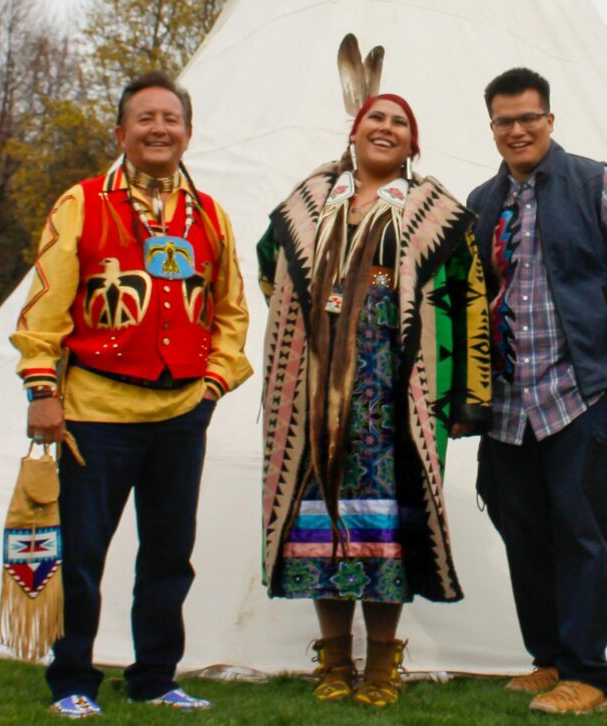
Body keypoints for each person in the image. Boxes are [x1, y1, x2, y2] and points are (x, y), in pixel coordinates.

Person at [11, 71, 252, 719]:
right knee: (82, 554)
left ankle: (155, 678)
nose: (159, 129)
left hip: (181, 415)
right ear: (121, 132)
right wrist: (41, 388)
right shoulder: (83, 203)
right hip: (96, 413)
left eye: (171, 119)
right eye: (145, 118)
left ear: (188, 134)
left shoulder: (210, 216)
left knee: (169, 556)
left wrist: (213, 385)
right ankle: (72, 681)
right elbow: (46, 305)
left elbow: (231, 310)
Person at [256, 92, 491, 708]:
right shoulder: (308, 203)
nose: (386, 129)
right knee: (318, 522)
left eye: (400, 123)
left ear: (414, 143)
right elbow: (269, 269)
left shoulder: (433, 212)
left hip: (395, 393)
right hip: (312, 395)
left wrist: (467, 394)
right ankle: (334, 660)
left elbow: (468, 297)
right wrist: (304, 332)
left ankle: (383, 664)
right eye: (375, 119)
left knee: (387, 524)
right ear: (354, 132)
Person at [467, 67, 607, 716]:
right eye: (504, 121)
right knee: (522, 530)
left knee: (581, 533)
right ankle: (549, 658)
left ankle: (589, 675)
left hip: (578, 394)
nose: (517, 130)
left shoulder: (597, 183)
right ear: (492, 127)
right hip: (507, 403)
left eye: (529, 117)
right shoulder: (482, 201)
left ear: (549, 120)